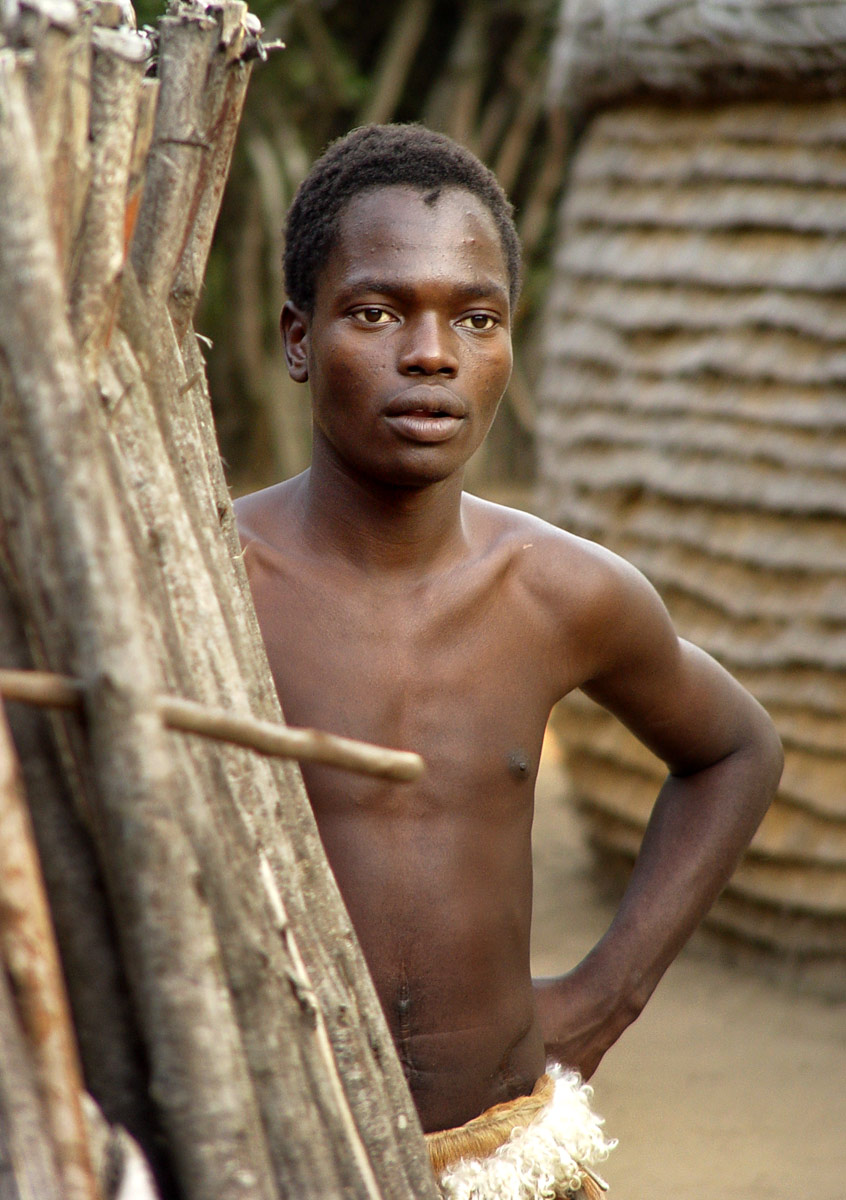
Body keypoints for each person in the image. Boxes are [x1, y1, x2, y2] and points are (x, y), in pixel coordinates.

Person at [235, 124, 783, 1196]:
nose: (432, 354)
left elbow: (737, 750)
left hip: (502, 1154)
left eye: (475, 318)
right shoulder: (204, 582)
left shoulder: (559, 591)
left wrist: (608, 992)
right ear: (300, 338)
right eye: (379, 312)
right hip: (259, 1147)